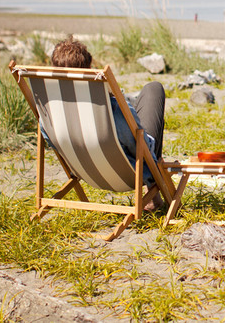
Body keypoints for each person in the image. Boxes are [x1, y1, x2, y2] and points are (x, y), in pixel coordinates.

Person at [47, 36, 165, 209]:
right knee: (153, 89)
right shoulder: (105, 105)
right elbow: (137, 143)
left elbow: (49, 138)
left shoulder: (49, 106)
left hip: (84, 170)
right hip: (127, 172)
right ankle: (154, 192)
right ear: (88, 67)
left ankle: (154, 195)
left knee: (137, 106)